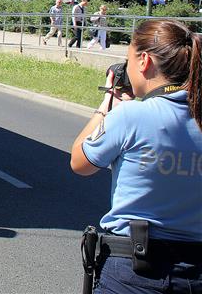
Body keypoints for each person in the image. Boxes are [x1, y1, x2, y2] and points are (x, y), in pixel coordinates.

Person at [70, 19, 202, 293]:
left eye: (127, 58)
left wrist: (107, 104)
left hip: (133, 272)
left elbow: (80, 163)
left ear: (144, 61)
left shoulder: (130, 116)